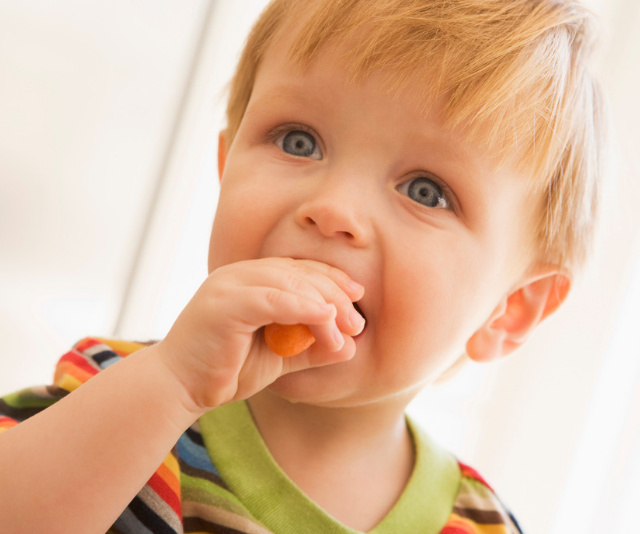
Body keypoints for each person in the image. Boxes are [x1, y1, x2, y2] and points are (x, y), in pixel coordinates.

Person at [0, 0, 607, 532]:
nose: (333, 210)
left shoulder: (483, 527)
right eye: (298, 140)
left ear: (510, 309)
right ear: (224, 165)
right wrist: (173, 386)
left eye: (426, 191)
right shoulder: (116, 400)